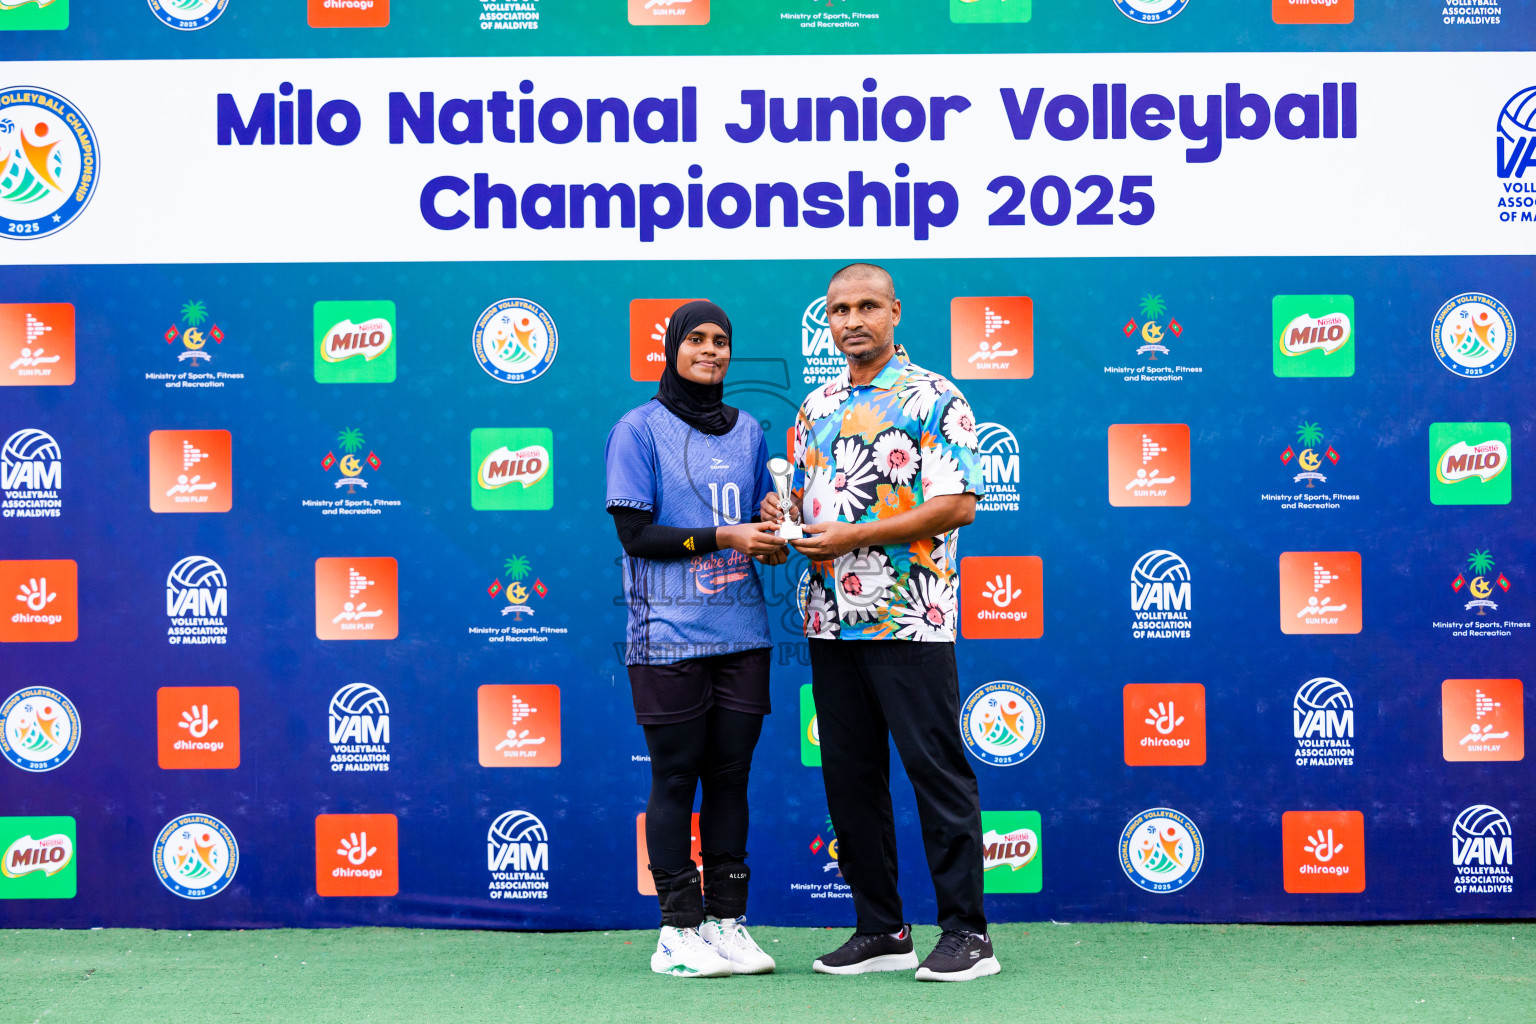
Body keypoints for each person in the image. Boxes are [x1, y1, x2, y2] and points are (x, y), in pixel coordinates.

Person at [762, 264, 999, 982]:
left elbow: (957, 504)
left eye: (867, 306)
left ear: (895, 312)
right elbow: (804, 507)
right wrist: (784, 520)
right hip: (831, 621)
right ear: (826, 321)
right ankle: (881, 930)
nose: (853, 320)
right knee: (850, 779)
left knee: (937, 775)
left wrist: (853, 539)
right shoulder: (816, 406)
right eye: (839, 310)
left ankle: (967, 935)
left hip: (910, 617)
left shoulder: (935, 396)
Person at [605, 300, 788, 978]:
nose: (710, 351)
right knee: (676, 777)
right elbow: (636, 536)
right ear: (673, 347)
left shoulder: (747, 432)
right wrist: (726, 535)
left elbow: (755, 532)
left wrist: (769, 533)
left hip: (742, 634)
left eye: (721, 341)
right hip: (668, 638)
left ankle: (727, 923)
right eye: (697, 340)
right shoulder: (637, 430)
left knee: (731, 780)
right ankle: (677, 932)